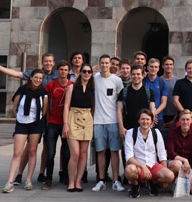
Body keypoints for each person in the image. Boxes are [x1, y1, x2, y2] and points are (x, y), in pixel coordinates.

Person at [0, 53, 57, 185]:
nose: (48, 63)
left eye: (50, 61)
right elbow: (16, 74)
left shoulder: (58, 75)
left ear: (54, 63)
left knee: (44, 147)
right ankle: (19, 174)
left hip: (48, 117)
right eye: (46, 61)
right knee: (28, 148)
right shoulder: (33, 73)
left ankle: (41, 173)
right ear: (42, 63)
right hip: (30, 118)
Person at [2, 69, 48, 193]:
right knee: (17, 152)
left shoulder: (43, 92)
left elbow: (44, 110)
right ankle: (10, 181)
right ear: (31, 78)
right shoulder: (22, 90)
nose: (38, 80)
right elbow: (15, 106)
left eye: (40, 78)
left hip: (36, 125)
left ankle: (28, 180)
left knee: (32, 151)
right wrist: (19, 117)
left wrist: (36, 119)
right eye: (36, 77)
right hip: (22, 124)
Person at [91, 55, 125, 192]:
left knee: (114, 151)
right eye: (102, 63)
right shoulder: (94, 79)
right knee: (100, 151)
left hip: (113, 121)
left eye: (107, 63)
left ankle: (116, 180)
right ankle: (101, 179)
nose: (104, 65)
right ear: (99, 64)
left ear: (110, 64)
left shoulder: (117, 81)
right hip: (98, 121)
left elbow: (120, 102)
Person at [125, 109, 175, 198]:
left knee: (170, 176)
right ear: (138, 120)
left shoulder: (156, 133)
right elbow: (129, 157)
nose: (145, 122)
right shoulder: (131, 133)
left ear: (151, 121)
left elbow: (162, 154)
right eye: (142, 119)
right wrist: (143, 166)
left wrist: (164, 179)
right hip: (138, 167)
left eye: (148, 119)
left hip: (153, 165)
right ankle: (136, 185)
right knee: (129, 170)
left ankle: (153, 182)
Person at [63, 63, 95, 192]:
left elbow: (94, 107)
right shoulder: (71, 87)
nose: (87, 74)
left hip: (87, 118)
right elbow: (66, 106)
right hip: (73, 117)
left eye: (89, 72)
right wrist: (65, 124)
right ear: (80, 72)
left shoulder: (93, 88)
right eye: (84, 71)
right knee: (75, 153)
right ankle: (71, 181)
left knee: (83, 154)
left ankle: (78, 181)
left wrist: (91, 121)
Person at [43, 60, 73, 189]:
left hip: (66, 124)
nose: (63, 72)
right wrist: (47, 119)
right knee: (50, 152)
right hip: (53, 123)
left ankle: (65, 177)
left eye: (66, 70)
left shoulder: (72, 85)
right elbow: (46, 102)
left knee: (66, 153)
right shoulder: (51, 85)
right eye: (61, 69)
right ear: (57, 70)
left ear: (68, 71)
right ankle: (48, 178)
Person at [167, 110, 192, 196]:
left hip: (189, 167)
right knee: (178, 164)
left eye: (187, 119)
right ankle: (173, 181)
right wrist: (184, 160)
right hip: (174, 162)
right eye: (183, 119)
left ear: (191, 120)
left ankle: (179, 185)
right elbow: (171, 153)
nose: (185, 122)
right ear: (179, 120)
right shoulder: (172, 132)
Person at [118, 65, 156, 139]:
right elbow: (119, 110)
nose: (136, 76)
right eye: (134, 74)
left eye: (138, 74)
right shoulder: (124, 91)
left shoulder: (149, 92)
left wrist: (150, 125)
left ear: (143, 75)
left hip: (145, 129)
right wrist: (121, 127)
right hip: (127, 129)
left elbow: (152, 110)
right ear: (131, 75)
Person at [144, 58, 169, 127]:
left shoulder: (162, 82)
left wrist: (153, 114)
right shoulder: (143, 81)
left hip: (158, 118)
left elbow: (164, 103)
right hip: (143, 117)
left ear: (158, 69)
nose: (153, 69)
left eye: (156, 67)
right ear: (148, 68)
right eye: (151, 66)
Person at [160, 56, 179, 135]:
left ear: (173, 66)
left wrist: (175, 118)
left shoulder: (178, 81)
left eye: (171, 64)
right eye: (166, 64)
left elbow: (180, 100)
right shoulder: (158, 80)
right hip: (161, 115)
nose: (169, 66)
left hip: (174, 115)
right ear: (162, 66)